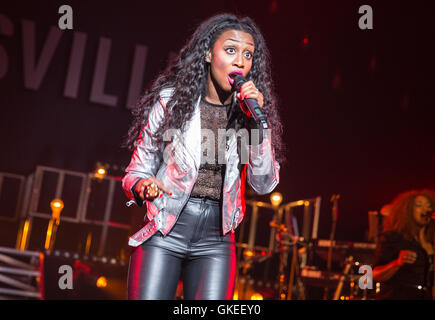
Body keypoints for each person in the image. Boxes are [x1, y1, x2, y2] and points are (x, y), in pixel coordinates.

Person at [121, 13, 284, 300]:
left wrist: (258, 125)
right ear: (209, 53)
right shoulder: (171, 102)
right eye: (230, 50)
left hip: (217, 241)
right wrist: (143, 185)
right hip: (165, 231)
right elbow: (136, 169)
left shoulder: (247, 114)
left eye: (248, 54)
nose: (240, 61)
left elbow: (264, 183)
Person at [372, 189, 435, 299]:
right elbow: (375, 274)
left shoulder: (431, 241)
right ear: (407, 211)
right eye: (419, 205)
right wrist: (397, 263)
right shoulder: (393, 238)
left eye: (429, 206)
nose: (426, 209)